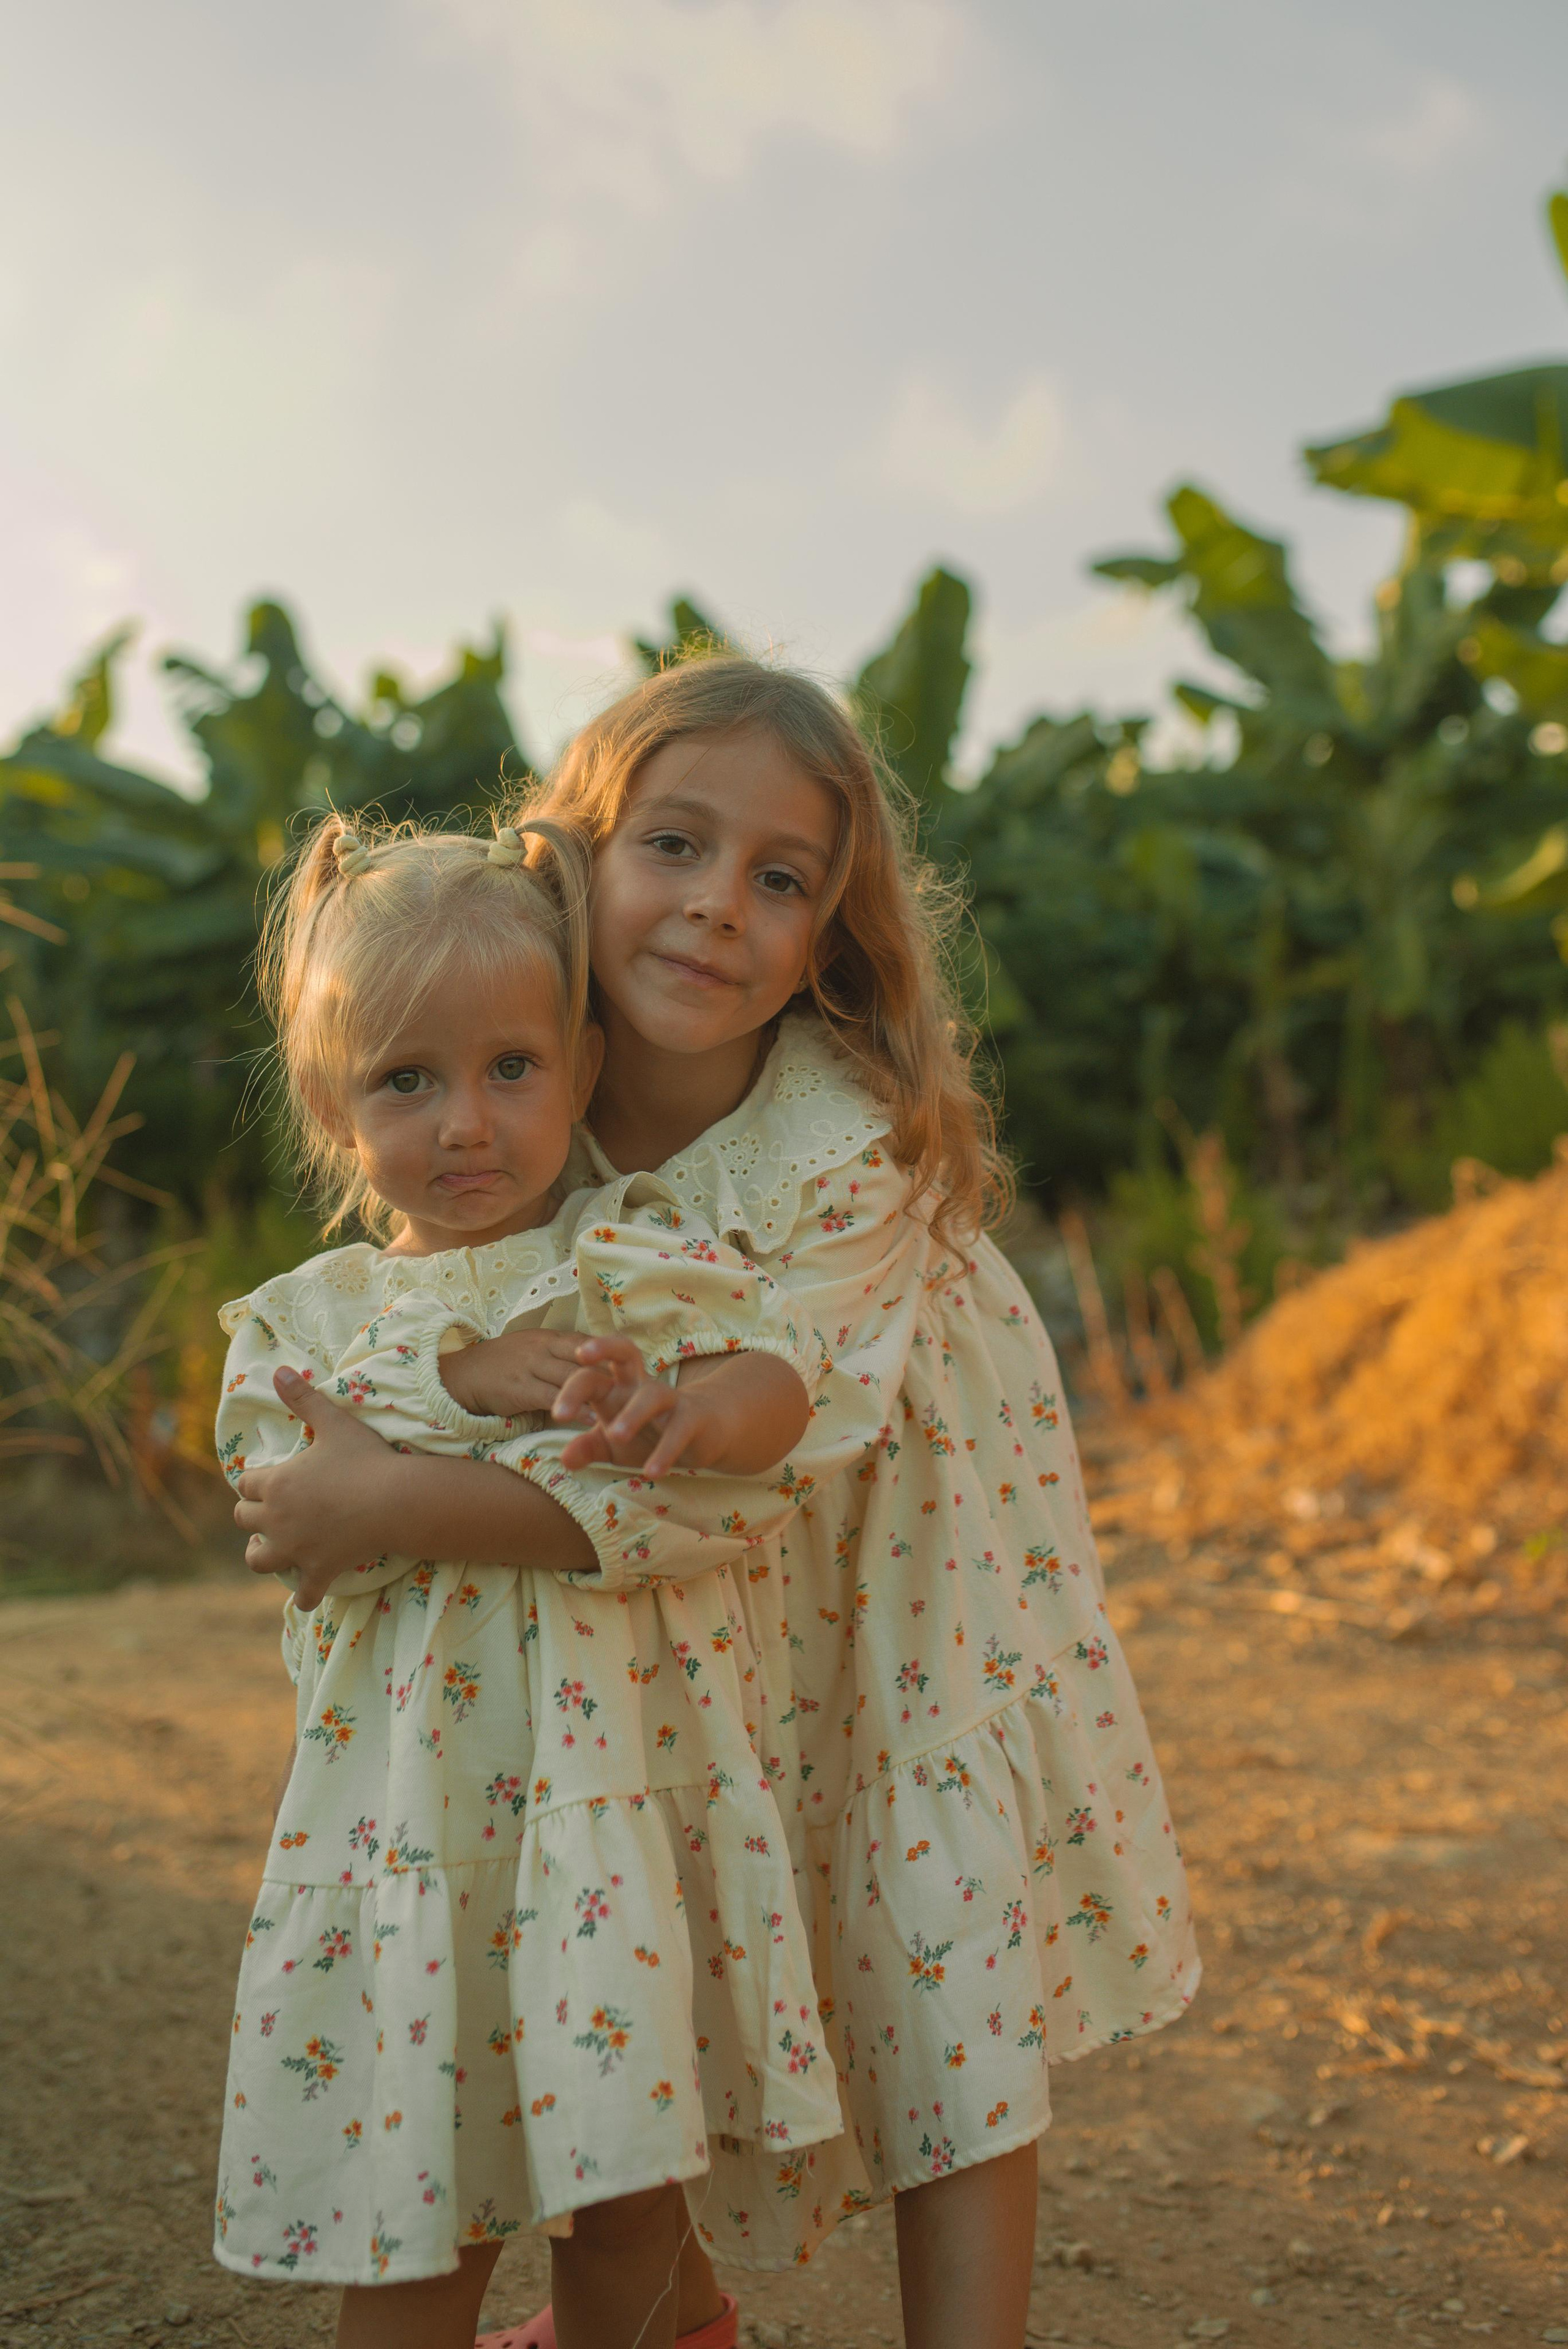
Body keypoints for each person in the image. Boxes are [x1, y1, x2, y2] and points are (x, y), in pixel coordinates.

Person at [238, 662, 1200, 2349]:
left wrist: (382, 1498)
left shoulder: (847, 1142)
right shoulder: (521, 1084)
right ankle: (670, 2302)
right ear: (576, 862)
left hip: (887, 1573)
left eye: (781, 876)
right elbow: (392, 1342)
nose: (716, 908)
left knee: (921, 1916)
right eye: (673, 844)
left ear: (832, 925)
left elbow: (746, 1464)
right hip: (667, 1600)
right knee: (664, 1891)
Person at [216, 812, 842, 2349]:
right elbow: (295, 1493)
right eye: (405, 1080)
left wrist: (685, 1405)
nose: (466, 1124)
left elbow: (754, 1428)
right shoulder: (310, 1320)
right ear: (330, 1102)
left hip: (619, 1827)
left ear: (577, 1059)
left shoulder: (633, 1263)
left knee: (627, 2195)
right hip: (412, 1835)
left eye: (510, 1067)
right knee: (414, 2207)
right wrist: (471, 1374)